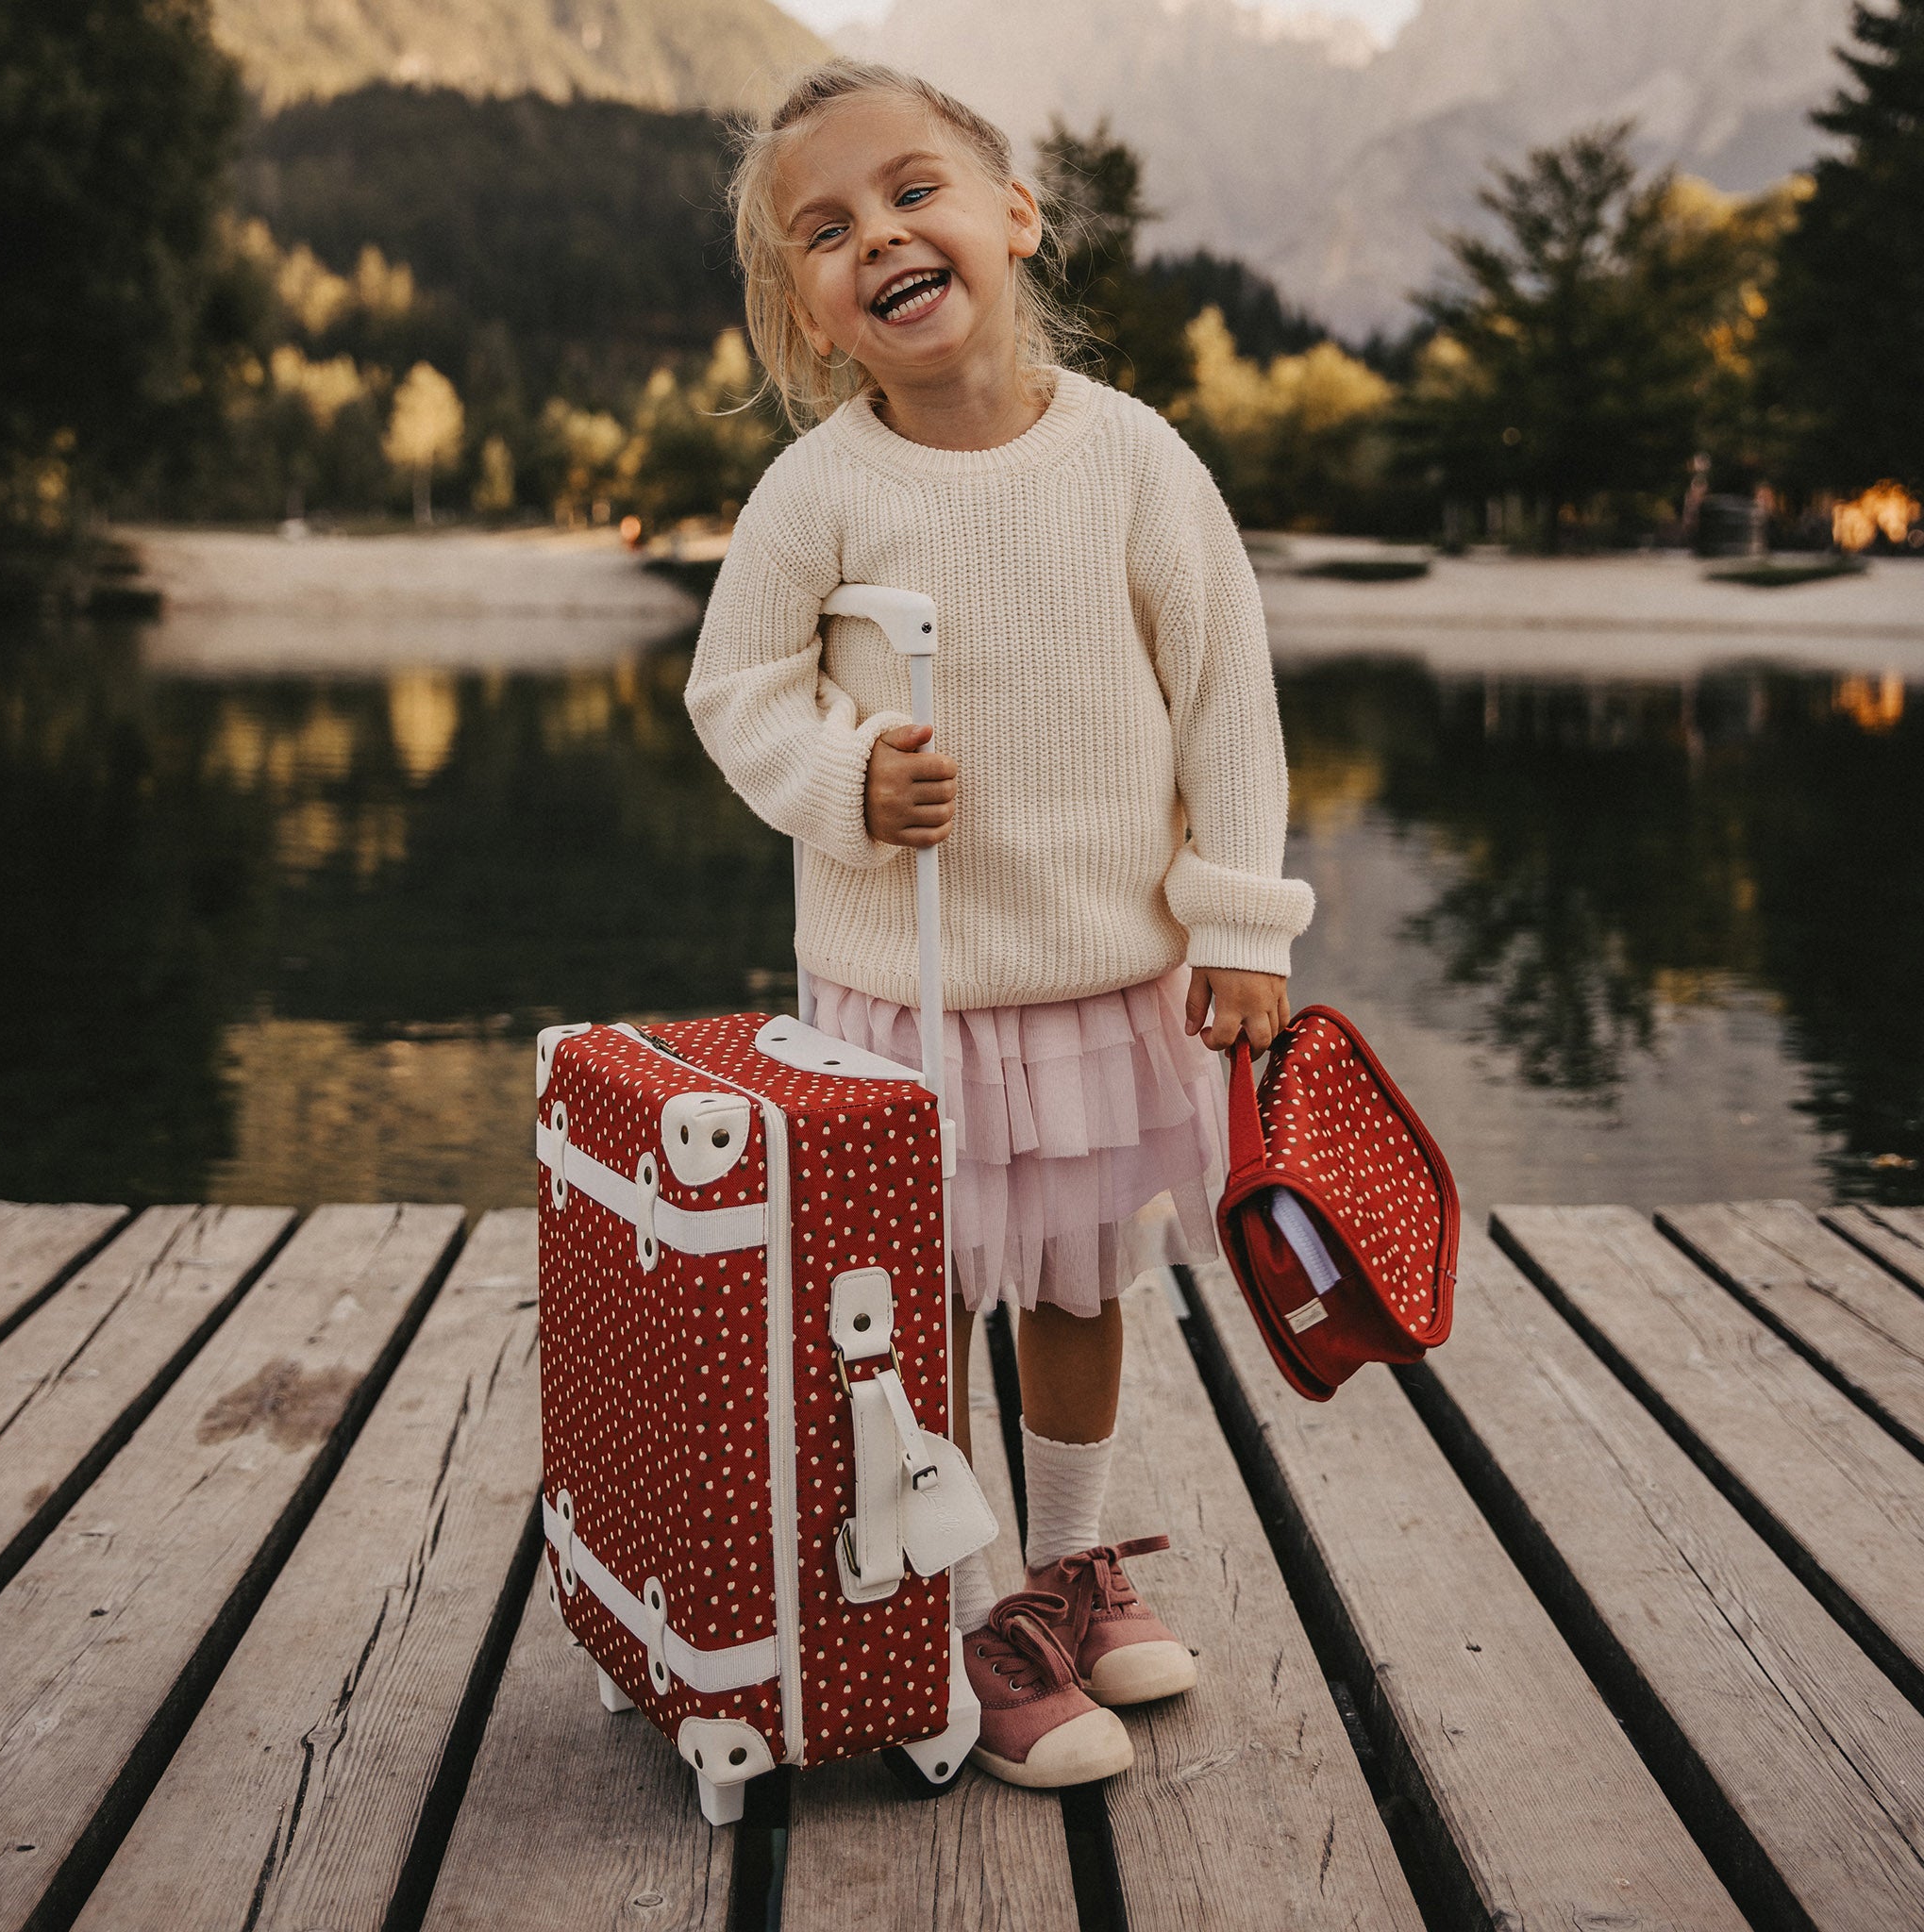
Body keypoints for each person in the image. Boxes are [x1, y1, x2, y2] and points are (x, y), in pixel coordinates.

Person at [686, 58, 1313, 1789]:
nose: (878, 235)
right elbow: (733, 690)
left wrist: (1242, 919)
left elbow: (1227, 701)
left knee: (1078, 1282)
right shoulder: (819, 490)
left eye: (910, 192)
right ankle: (961, 1611)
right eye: (826, 231)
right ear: (809, 313)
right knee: (919, 1309)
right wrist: (844, 779)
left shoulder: (1131, 458)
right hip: (912, 990)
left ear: (1010, 217)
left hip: (1104, 979)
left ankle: (1064, 1565)